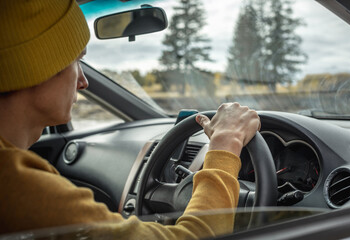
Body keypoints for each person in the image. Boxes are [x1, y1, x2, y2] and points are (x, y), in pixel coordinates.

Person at [0, 0, 260, 239]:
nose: (83, 81)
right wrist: (227, 143)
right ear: (38, 67)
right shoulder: (13, 183)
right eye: (77, 61)